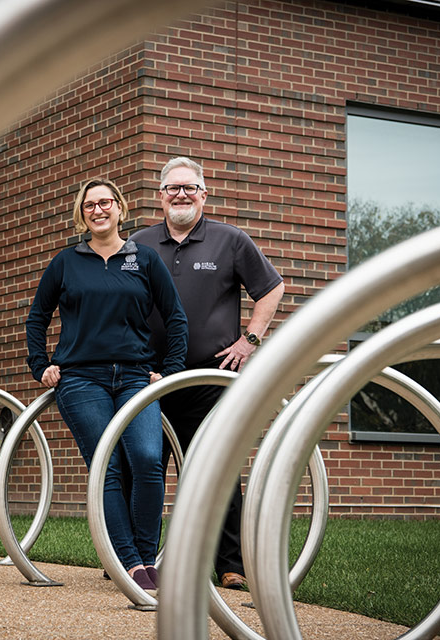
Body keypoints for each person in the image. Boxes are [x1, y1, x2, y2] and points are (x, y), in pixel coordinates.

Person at [26, 177, 188, 593]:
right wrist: (40, 364)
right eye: (89, 206)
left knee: (150, 459)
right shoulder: (66, 262)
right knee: (108, 467)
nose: (98, 210)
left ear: (121, 208)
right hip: (81, 379)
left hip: (135, 375)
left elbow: (175, 318)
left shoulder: (145, 259)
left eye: (105, 203)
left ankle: (144, 558)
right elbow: (37, 317)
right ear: (82, 214)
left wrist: (168, 370)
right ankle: (133, 565)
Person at [131, 157, 284, 590]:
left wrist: (249, 341)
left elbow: (272, 288)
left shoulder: (230, 240)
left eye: (189, 187)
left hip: (210, 379)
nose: (181, 194)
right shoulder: (138, 244)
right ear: (160, 196)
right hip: (150, 380)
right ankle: (136, 563)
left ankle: (230, 565)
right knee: (143, 470)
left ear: (204, 193)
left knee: (217, 470)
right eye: (172, 188)